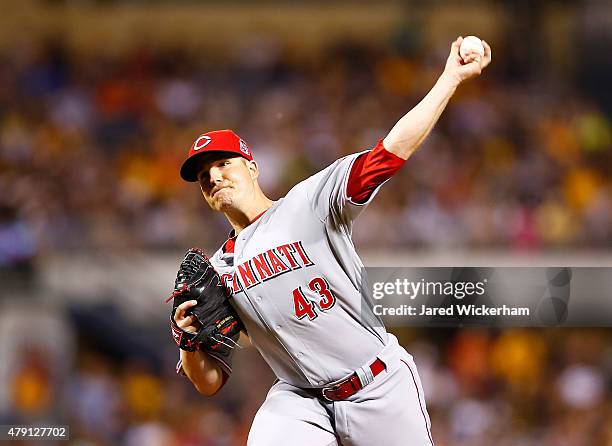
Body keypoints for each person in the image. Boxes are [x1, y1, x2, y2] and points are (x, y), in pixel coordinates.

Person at [173, 36, 492, 445]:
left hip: (377, 384)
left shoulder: (309, 202)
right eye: (203, 176)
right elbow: (210, 382)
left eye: (222, 164)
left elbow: (388, 153)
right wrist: (187, 343)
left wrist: (449, 78)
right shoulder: (217, 270)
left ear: (252, 167)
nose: (214, 177)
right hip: (300, 400)